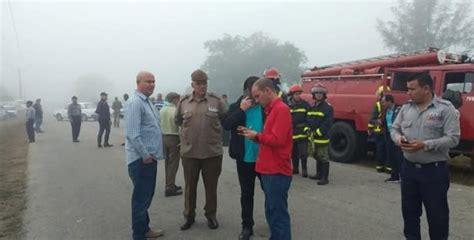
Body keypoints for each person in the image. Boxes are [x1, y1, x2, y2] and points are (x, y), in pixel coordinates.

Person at [391, 72, 460, 240]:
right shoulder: (406, 108)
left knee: (437, 217)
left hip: (434, 173)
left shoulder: (445, 109)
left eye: (412, 89)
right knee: (410, 214)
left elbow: (453, 138)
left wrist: (425, 144)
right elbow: (394, 129)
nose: (408, 93)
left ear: (426, 88)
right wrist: (399, 139)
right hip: (409, 170)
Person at [240, 78, 292, 240]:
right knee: (272, 211)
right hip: (269, 169)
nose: (256, 100)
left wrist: (257, 136)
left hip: (276, 170)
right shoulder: (272, 110)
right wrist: (254, 137)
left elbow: (278, 140)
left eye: (257, 96)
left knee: (278, 215)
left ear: (268, 91)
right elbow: (271, 138)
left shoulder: (281, 110)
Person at [175, 69, 226, 231]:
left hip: (212, 153)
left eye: (204, 83)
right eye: (199, 83)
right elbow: (178, 121)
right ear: (193, 85)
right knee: (190, 187)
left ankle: (211, 215)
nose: (202, 86)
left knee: (211, 187)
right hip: (190, 153)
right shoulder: (183, 102)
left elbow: (227, 120)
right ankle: (189, 216)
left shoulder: (216, 101)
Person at [222, 76, 263, 240]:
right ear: (247, 90)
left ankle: (273, 220)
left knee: (270, 191)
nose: (256, 93)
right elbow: (226, 125)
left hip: (264, 158)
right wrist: (242, 109)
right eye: (254, 89)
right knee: (247, 194)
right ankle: (247, 226)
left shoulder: (266, 106)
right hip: (244, 159)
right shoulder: (236, 106)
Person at [125, 71, 164, 239]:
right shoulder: (135, 102)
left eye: (153, 81)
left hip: (148, 158)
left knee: (145, 196)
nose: (152, 84)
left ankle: (145, 229)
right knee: (141, 199)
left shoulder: (147, 102)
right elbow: (133, 134)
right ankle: (139, 235)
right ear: (138, 82)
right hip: (141, 160)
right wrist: (146, 155)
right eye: (148, 81)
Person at [307, 82, 333, 185]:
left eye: (320, 93)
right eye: (316, 93)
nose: (318, 95)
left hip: (322, 137)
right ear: (313, 95)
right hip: (313, 137)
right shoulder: (312, 107)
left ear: (324, 95)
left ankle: (324, 178)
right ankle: (318, 174)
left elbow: (328, 123)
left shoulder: (327, 108)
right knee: (316, 155)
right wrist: (307, 129)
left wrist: (318, 132)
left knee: (323, 157)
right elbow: (308, 119)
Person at [160, 92, 183, 197]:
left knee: (167, 162)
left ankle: (169, 184)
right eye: (178, 99)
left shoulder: (162, 110)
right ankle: (170, 187)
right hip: (174, 137)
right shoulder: (175, 110)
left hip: (164, 136)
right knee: (173, 164)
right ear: (174, 99)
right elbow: (180, 126)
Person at [288, 84, 310, 177]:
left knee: (303, 153)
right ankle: (295, 169)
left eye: (299, 94)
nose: (298, 96)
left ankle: (304, 169)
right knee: (293, 152)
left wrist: (307, 127)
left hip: (302, 131)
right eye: (296, 94)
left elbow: (309, 117)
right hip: (292, 131)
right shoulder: (288, 105)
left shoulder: (305, 104)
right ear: (292, 95)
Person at [381, 94, 403, 183]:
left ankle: (403, 177)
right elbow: (385, 121)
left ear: (389, 101)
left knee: (400, 157)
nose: (382, 104)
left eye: (383, 102)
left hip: (398, 137)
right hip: (389, 136)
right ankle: (394, 176)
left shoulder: (399, 109)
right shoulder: (385, 110)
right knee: (392, 156)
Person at [369, 86, 390, 173]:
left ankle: (388, 168)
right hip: (379, 131)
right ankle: (380, 167)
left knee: (387, 150)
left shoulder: (389, 104)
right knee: (381, 150)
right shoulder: (378, 105)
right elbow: (372, 118)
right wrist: (371, 127)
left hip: (386, 131)